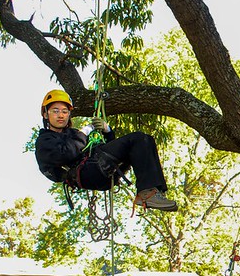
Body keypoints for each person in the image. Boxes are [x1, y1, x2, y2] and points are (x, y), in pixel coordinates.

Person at [34, 89, 177, 211]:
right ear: (46, 114)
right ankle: (146, 194)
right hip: (86, 172)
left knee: (145, 140)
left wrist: (107, 131)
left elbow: (110, 148)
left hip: (98, 169)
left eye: (65, 111)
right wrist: (85, 131)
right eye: (56, 111)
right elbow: (65, 154)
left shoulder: (72, 134)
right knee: (137, 138)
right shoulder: (44, 142)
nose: (61, 115)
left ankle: (155, 192)